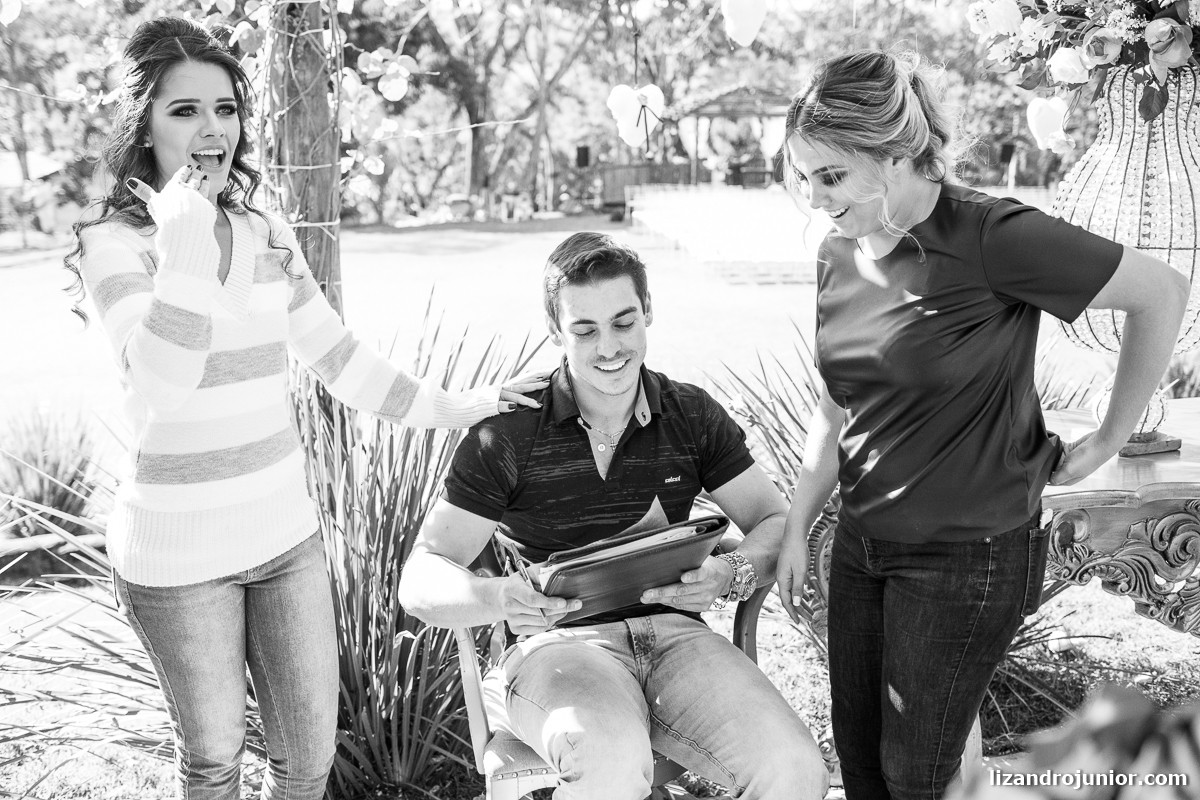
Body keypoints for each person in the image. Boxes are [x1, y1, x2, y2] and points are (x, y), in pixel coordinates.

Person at [65, 17, 546, 800]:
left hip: (284, 539)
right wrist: (183, 242)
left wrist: (462, 406)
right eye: (183, 110)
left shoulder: (262, 229)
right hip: (177, 560)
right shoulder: (112, 244)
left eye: (224, 108)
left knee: (307, 763)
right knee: (215, 762)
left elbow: (339, 360)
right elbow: (162, 384)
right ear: (143, 124)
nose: (210, 128)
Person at [773, 50, 1189, 800]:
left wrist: (1107, 439)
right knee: (863, 768)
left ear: (897, 153)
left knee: (916, 777)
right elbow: (834, 406)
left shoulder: (993, 234)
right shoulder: (837, 253)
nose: (813, 199)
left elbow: (1160, 291)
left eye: (830, 177)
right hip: (863, 549)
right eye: (801, 177)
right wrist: (801, 521)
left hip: (965, 559)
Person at [398, 232, 828, 800]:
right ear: (556, 331)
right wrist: (500, 598)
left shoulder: (691, 414)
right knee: (609, 761)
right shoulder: (509, 432)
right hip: (559, 652)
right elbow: (421, 575)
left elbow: (774, 523)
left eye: (624, 323)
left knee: (795, 770)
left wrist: (731, 574)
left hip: (679, 642)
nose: (609, 348)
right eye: (584, 330)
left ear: (648, 313)